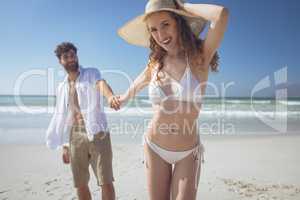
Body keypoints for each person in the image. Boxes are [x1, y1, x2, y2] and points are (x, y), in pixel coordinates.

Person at [117, 0, 229, 199]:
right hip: (154, 147)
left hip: (188, 151)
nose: (160, 35)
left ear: (178, 22)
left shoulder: (200, 56)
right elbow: (141, 79)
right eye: (153, 30)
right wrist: (124, 97)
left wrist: (183, 6)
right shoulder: (155, 62)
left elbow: (221, 15)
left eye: (165, 24)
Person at [46, 42, 120, 200]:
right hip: (75, 135)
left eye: (73, 55)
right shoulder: (61, 87)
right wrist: (65, 145)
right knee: (80, 183)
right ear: (60, 61)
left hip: (98, 132)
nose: (71, 58)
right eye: (66, 56)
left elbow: (101, 83)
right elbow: (63, 116)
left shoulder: (91, 73)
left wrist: (110, 96)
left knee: (105, 180)